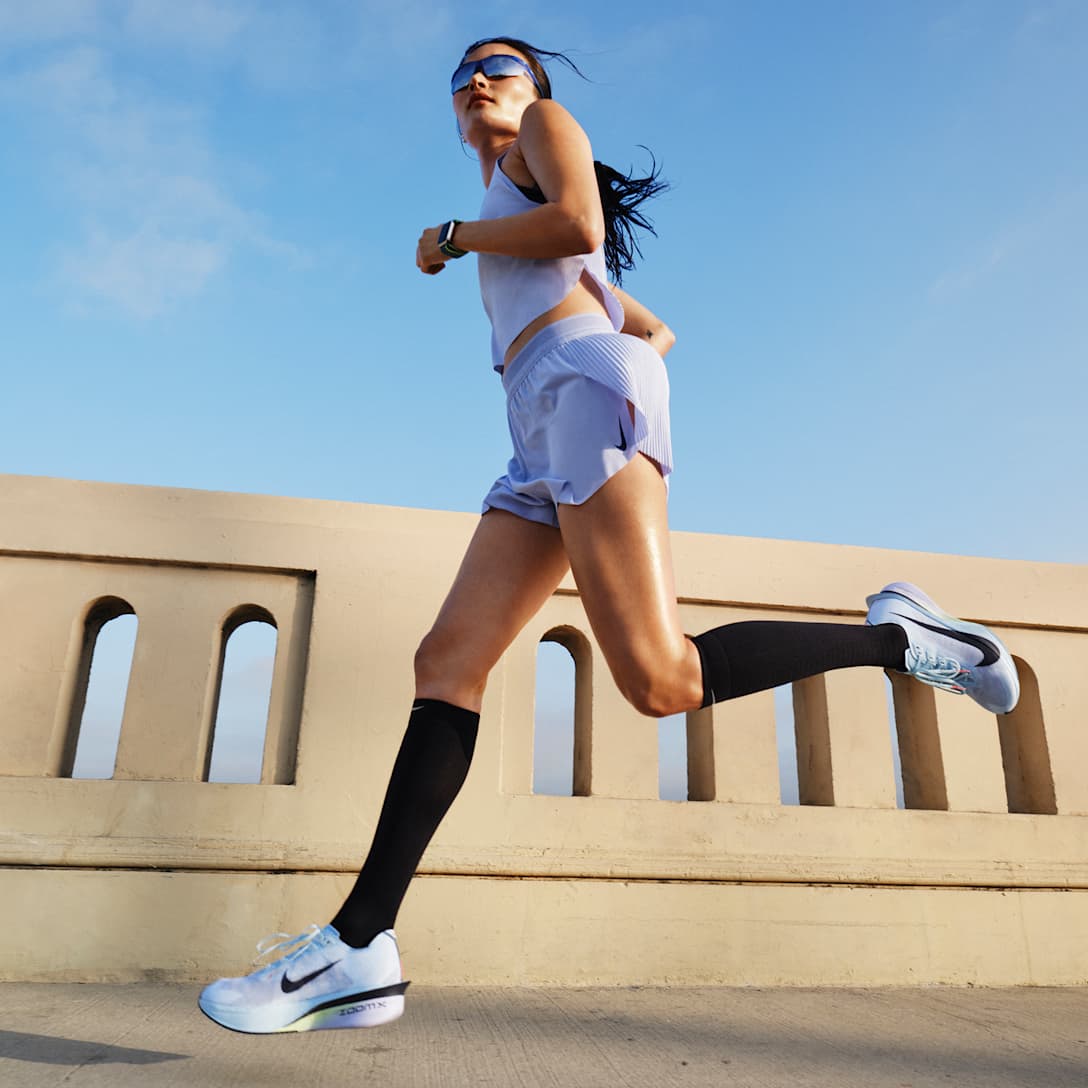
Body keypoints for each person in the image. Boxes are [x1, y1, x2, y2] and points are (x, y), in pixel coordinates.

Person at [198, 37, 1019, 1035]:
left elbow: (580, 221)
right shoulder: (512, 198)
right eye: (459, 77)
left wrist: (458, 239)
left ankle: (914, 641)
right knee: (446, 660)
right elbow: (651, 324)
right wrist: (573, 335)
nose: (475, 83)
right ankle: (361, 945)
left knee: (659, 681)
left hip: (580, 392)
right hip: (543, 418)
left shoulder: (538, 138)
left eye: (497, 66)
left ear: (532, 88)